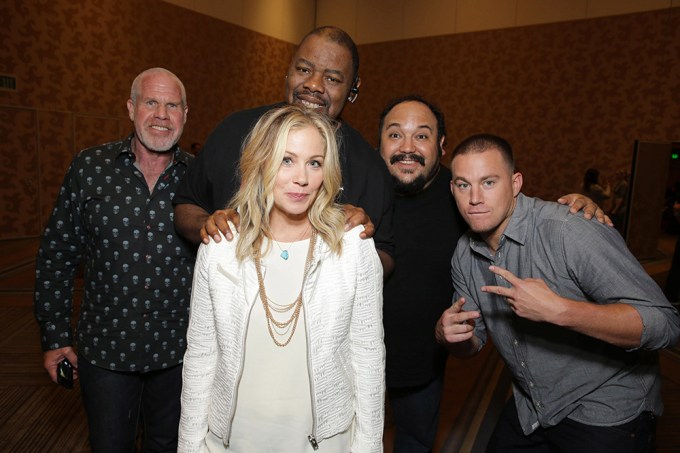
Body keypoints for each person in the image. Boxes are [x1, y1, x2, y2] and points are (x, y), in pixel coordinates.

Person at [378, 96, 612, 453]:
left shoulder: (460, 193)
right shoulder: (360, 187)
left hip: (421, 358)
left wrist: (583, 207)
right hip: (350, 351)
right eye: (395, 135)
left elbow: (514, 209)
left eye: (421, 136)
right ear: (379, 142)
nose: (407, 148)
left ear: (441, 145)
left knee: (414, 443)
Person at [436, 133, 680, 452]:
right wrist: (451, 336)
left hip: (605, 409)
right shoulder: (464, 254)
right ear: (453, 188)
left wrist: (561, 312)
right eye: (464, 184)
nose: (475, 198)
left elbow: (665, 324)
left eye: (489, 182)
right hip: (534, 404)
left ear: (516, 183)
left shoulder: (567, 230)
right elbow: (473, 342)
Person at [178, 105, 385, 452]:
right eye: (286, 160)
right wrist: (189, 446)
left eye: (314, 163)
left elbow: (367, 358)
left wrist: (368, 447)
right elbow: (201, 356)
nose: (301, 178)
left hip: (323, 442)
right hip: (232, 440)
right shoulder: (220, 247)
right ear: (261, 163)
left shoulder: (353, 249)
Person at [34, 67, 195, 452]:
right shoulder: (90, 169)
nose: (161, 114)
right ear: (130, 107)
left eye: (172, 105)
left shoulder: (200, 178)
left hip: (181, 354)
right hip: (106, 353)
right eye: (151, 102)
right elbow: (57, 255)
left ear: (185, 115)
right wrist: (55, 337)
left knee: (171, 447)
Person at [172, 26, 395, 275]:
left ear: (353, 87)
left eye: (332, 78)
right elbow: (186, 205)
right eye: (303, 70)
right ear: (288, 70)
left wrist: (359, 244)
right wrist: (209, 225)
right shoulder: (234, 130)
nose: (313, 85)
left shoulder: (370, 167)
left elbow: (385, 256)